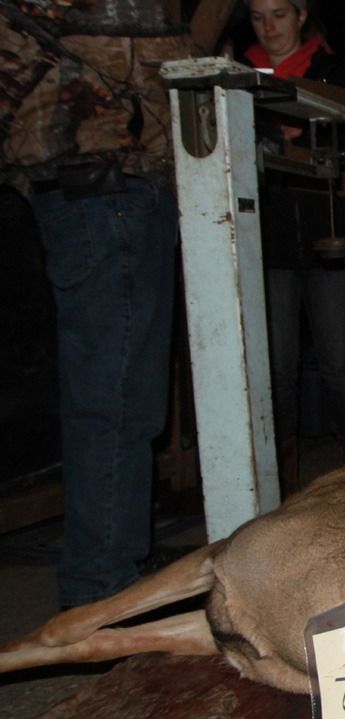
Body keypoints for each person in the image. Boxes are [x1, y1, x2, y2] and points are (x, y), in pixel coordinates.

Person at [0, 5, 193, 607]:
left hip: (110, 185)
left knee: (126, 402)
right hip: (102, 187)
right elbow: (150, 47)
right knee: (113, 404)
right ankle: (100, 585)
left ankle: (118, 557)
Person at [243, 0, 345, 492]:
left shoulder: (335, 71)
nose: (269, 27)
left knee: (337, 364)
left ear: (301, 15)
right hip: (269, 242)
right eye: (258, 16)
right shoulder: (241, 77)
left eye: (279, 14)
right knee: (277, 370)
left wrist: (318, 139)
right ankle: (283, 481)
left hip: (330, 238)